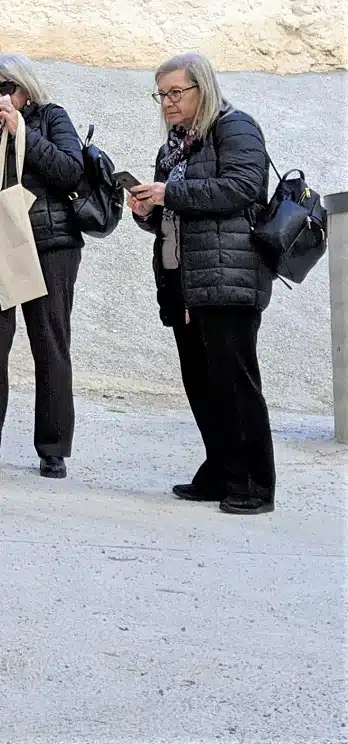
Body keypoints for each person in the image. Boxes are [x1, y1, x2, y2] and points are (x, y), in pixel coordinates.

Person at [128, 53, 275, 515]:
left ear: (202, 89)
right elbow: (179, 214)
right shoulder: (175, 143)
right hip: (185, 279)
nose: (167, 103)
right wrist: (148, 211)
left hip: (228, 276)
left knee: (234, 381)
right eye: (161, 94)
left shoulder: (237, 127)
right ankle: (220, 470)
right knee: (201, 381)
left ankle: (253, 484)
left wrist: (169, 193)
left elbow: (241, 188)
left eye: (176, 92)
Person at [0, 54, 84, 479]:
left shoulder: (52, 117)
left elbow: (70, 172)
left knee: (50, 343)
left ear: (26, 87)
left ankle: (53, 448)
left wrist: (23, 131)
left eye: (5, 88)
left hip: (49, 245)